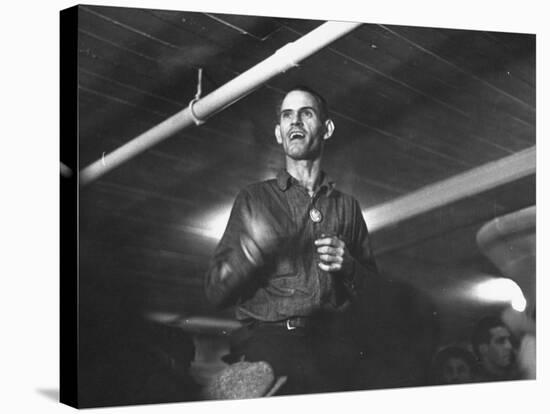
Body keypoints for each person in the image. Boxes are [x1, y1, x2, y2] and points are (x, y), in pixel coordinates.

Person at [204, 85, 379, 395]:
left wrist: (349, 266)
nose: (295, 122)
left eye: (305, 113)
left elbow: (378, 296)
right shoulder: (254, 198)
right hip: (270, 349)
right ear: (277, 132)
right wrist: (251, 252)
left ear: (327, 129)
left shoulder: (347, 206)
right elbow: (215, 292)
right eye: (287, 116)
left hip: (332, 352)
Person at [471, 315, 518, 382]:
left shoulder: (518, 374)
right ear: (483, 349)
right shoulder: (474, 382)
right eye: (501, 341)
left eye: (509, 340)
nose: (509, 346)